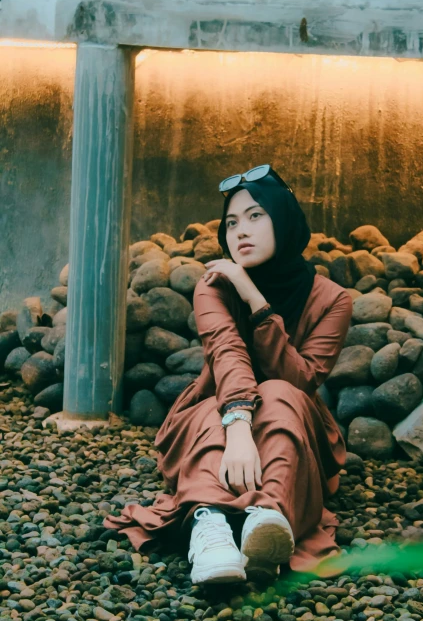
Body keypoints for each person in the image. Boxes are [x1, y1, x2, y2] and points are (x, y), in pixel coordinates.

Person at [103, 164, 353, 585]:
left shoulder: (333, 300)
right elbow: (228, 355)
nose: (241, 231)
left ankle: (266, 517)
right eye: (232, 222)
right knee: (208, 410)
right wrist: (238, 424)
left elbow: (300, 380)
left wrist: (255, 299)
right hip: (218, 402)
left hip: (294, 414)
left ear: (285, 220)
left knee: (278, 391)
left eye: (256, 216)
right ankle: (211, 525)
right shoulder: (214, 284)